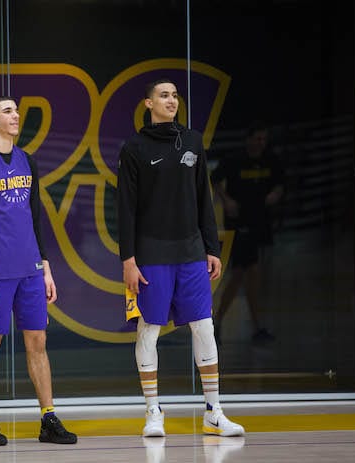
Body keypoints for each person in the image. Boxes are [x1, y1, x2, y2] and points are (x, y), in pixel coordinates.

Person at [117, 79, 245, 438]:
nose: (171, 100)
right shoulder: (134, 147)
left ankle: (213, 412)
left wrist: (211, 248)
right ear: (148, 103)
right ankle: (153, 412)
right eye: (163, 95)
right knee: (149, 330)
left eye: (175, 95)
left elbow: (204, 197)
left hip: (191, 252)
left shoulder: (192, 141)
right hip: (151, 253)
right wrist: (128, 259)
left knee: (204, 326)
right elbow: (125, 208)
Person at [0, 96, 77, 446]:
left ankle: (48, 418)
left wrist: (46, 268)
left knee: (38, 341)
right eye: (8, 111)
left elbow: (35, 218)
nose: (16, 115)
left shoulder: (29, 161)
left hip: (30, 270)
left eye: (16, 110)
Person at [211, 123, 284, 345]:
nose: (261, 143)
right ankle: (220, 323)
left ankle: (253, 326)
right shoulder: (235, 159)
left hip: (260, 222)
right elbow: (215, 179)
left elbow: (282, 183)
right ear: (249, 139)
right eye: (258, 138)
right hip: (240, 223)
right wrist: (226, 200)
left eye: (264, 139)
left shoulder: (271, 160)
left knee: (251, 274)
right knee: (243, 272)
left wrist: (275, 194)